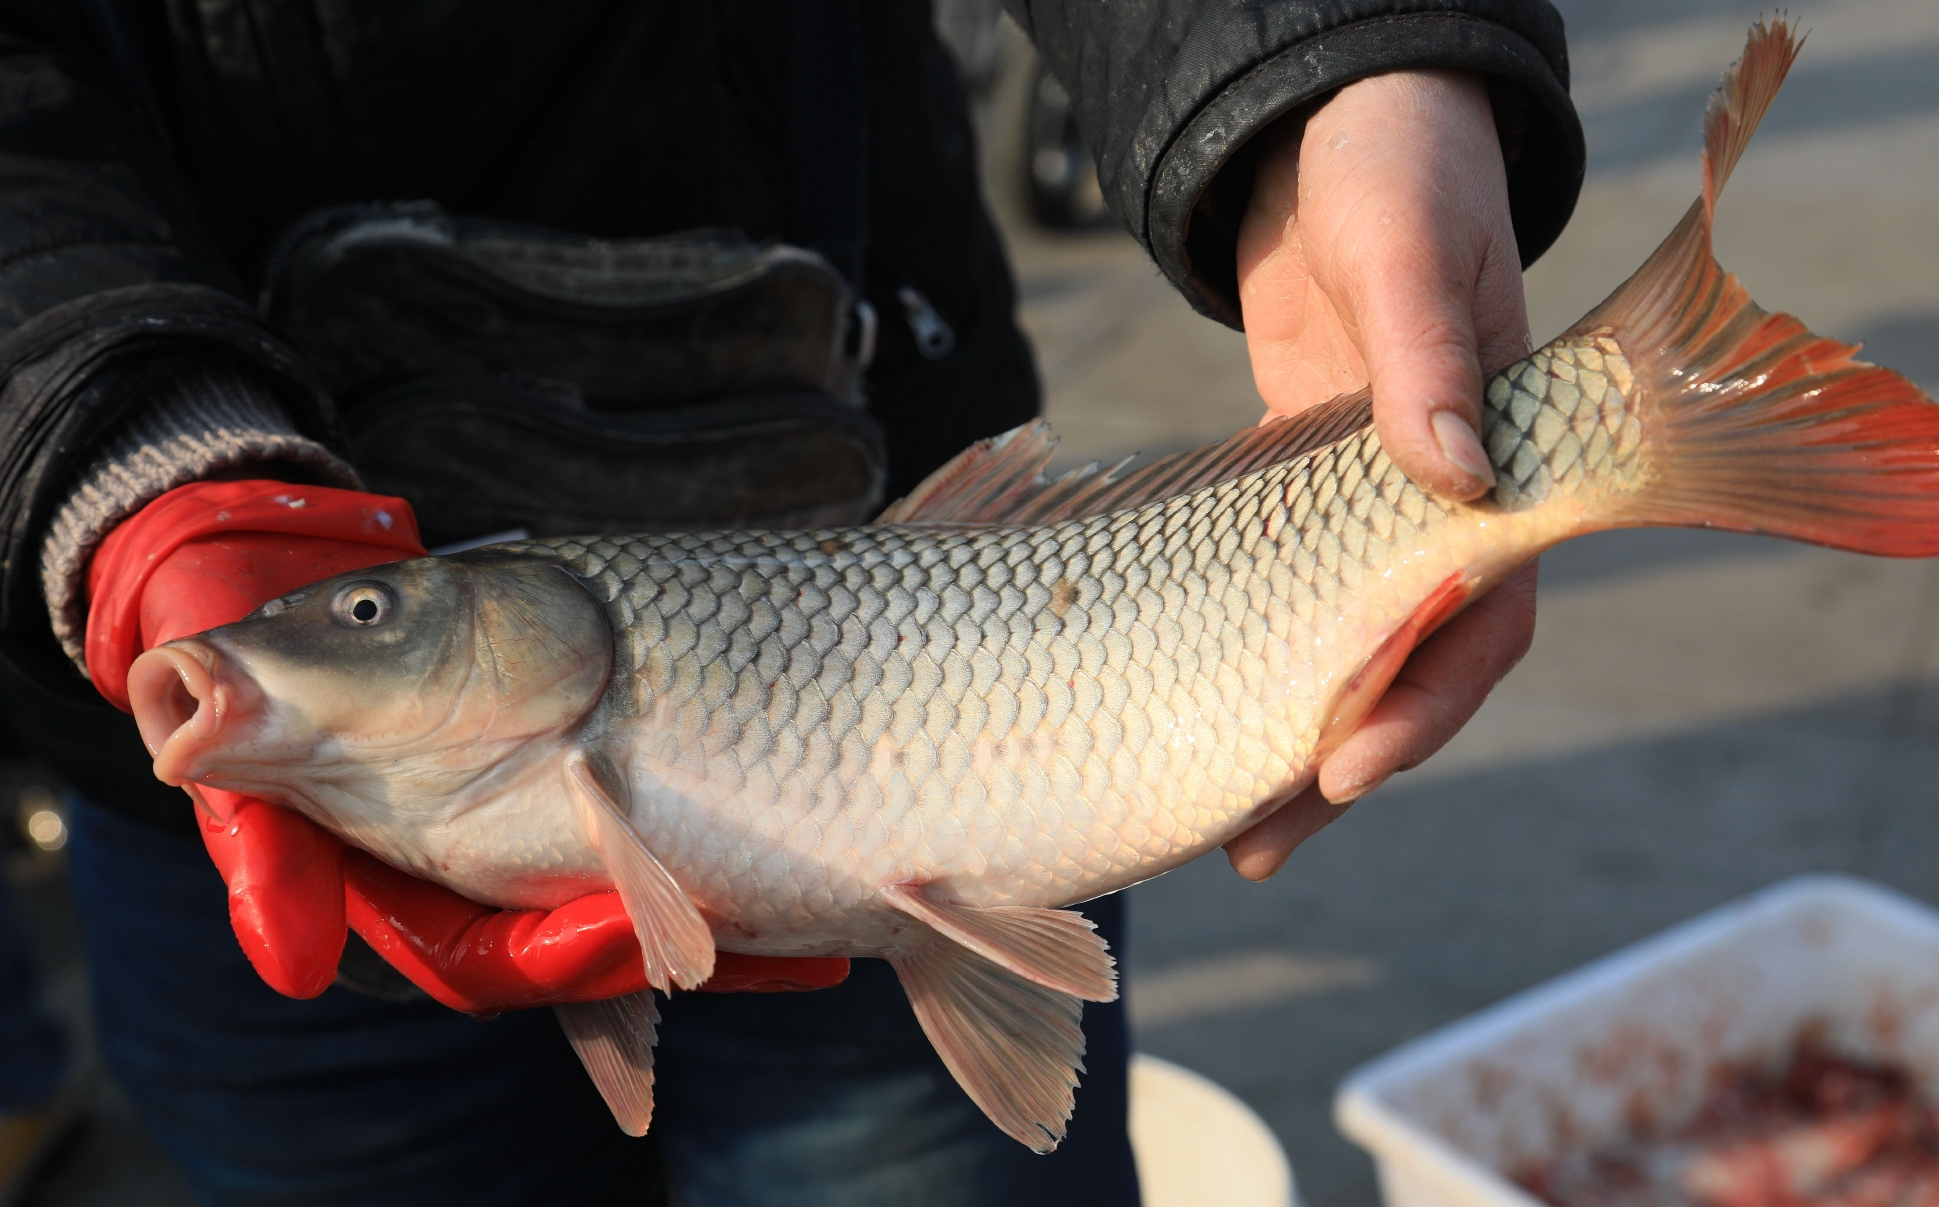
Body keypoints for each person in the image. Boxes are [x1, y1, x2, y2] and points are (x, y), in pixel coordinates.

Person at [0, 2, 1579, 1204]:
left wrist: (1331, 53)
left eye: (371, 619)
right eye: (372, 621)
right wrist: (112, 439)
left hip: (901, 429)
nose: (342, 638)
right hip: (137, 588)